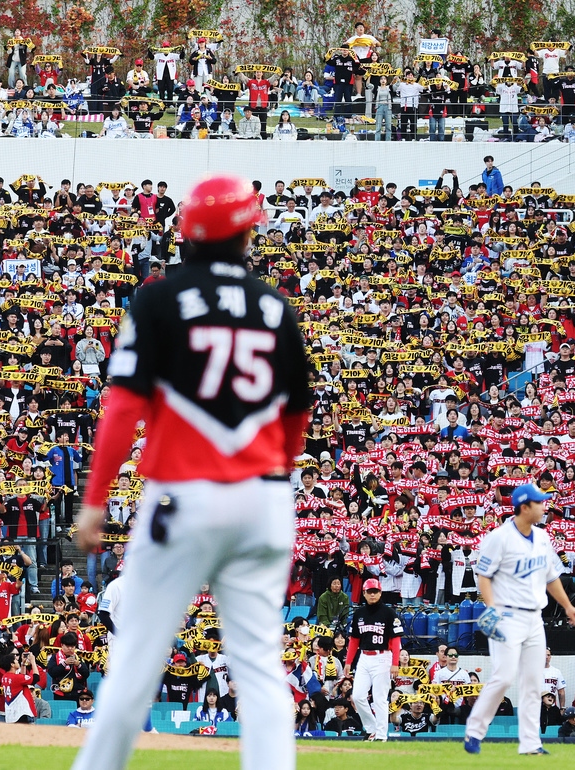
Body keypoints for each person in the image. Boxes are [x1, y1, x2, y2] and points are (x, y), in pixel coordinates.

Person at [72, 174, 312, 770]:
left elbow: (123, 406)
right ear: (245, 236)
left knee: (134, 664)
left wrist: (96, 497)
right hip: (264, 498)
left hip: (185, 493)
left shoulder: (158, 298)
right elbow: (298, 412)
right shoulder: (275, 307)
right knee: (259, 668)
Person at [463, 483, 575, 756]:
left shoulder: (542, 537)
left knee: (533, 683)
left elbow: (551, 577)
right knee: (503, 676)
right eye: (539, 503)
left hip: (534, 618)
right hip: (506, 615)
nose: (544, 507)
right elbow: (483, 576)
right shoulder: (499, 537)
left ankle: (530, 744)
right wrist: (491, 607)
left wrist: (567, 606)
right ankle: (475, 730)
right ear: (524, 507)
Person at [345, 577, 402, 741]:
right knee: (357, 696)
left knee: (379, 699)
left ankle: (382, 735)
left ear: (380, 592)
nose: (372, 595)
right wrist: (349, 661)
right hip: (364, 657)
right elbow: (354, 640)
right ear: (364, 593)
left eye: (375, 591)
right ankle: (372, 729)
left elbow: (397, 640)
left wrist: (395, 663)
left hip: (382, 657)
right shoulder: (359, 614)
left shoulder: (389, 613)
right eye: (369, 592)